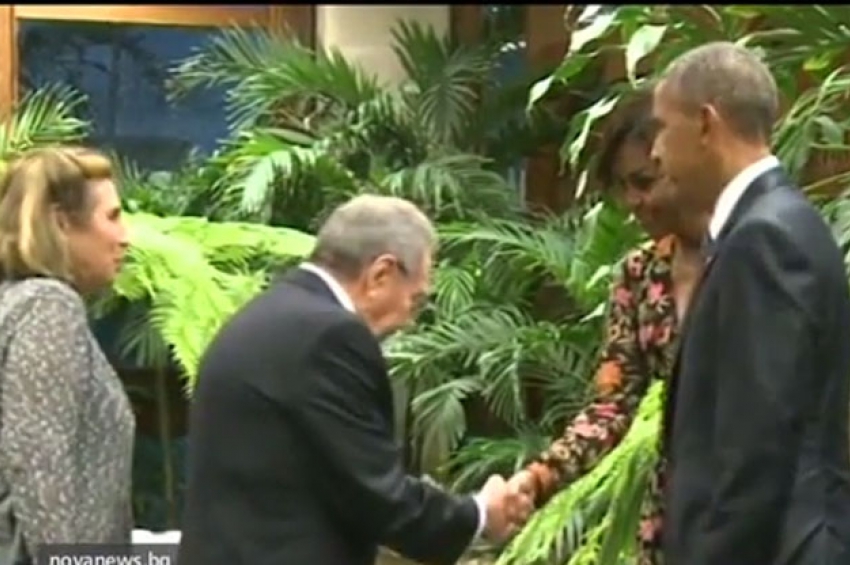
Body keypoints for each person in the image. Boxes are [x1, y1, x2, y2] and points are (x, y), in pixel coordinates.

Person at [177, 194, 533, 565]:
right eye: (415, 300)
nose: (409, 321)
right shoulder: (330, 337)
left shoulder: (265, 316)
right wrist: (479, 514)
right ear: (381, 275)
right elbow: (378, 495)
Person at [650, 41, 850, 565]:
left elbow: (755, 451)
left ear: (705, 123)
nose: (655, 153)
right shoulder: (770, 225)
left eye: (663, 129)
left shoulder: (765, 238)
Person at [507, 88, 707, 565]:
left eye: (645, 181)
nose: (634, 201)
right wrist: (539, 477)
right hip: (672, 515)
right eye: (623, 187)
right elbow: (613, 406)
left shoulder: (751, 255)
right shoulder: (638, 276)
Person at [0, 147, 134, 562]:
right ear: (61, 223)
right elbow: (38, 462)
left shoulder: (13, 302)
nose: (125, 236)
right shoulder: (48, 307)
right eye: (112, 217)